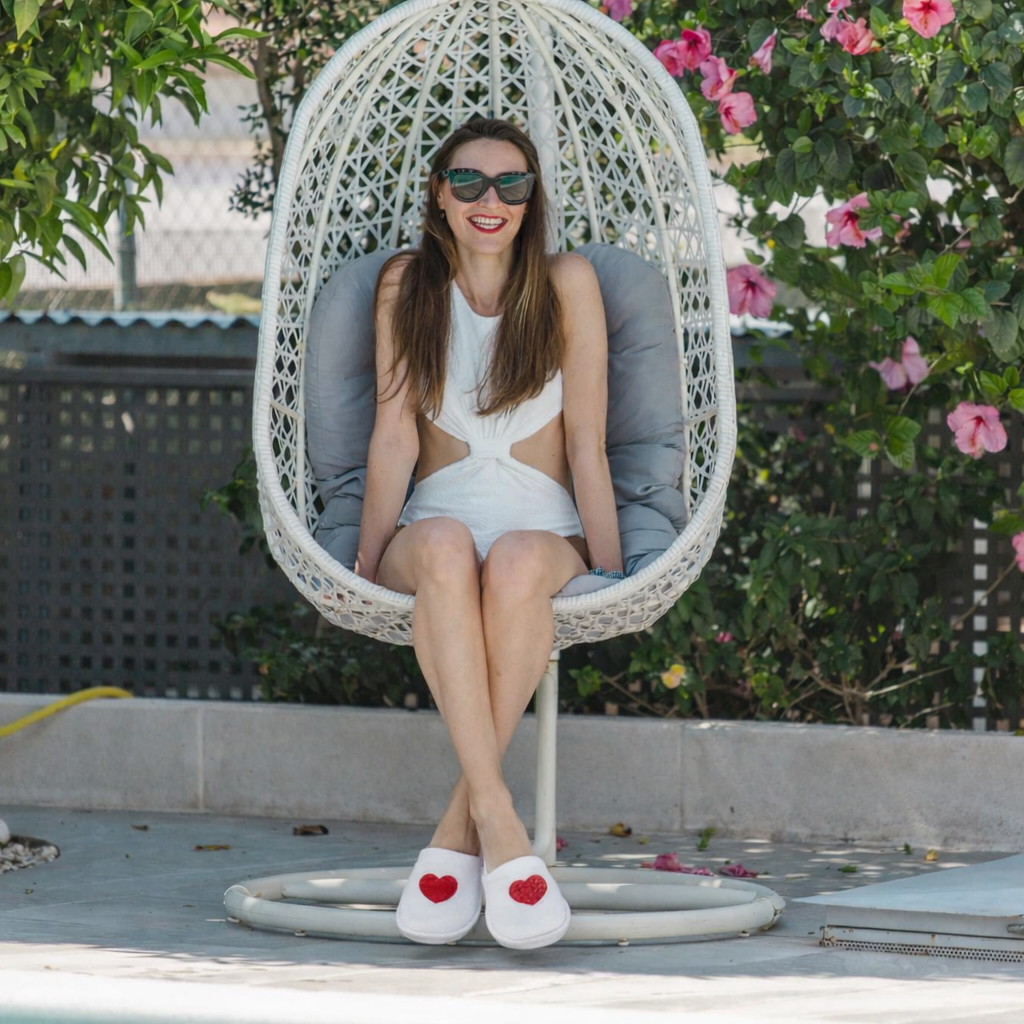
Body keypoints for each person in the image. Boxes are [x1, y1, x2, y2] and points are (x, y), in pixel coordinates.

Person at [354, 117, 623, 949]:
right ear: (440, 194)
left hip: (541, 536)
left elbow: (586, 443)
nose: (490, 200)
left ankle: (458, 827)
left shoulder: (567, 283)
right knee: (441, 546)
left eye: (511, 184)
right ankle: (500, 823)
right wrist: (364, 562)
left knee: (509, 563)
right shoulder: (408, 285)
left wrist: (613, 569)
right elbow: (395, 435)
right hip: (432, 530)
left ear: (531, 199)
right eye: (468, 181)